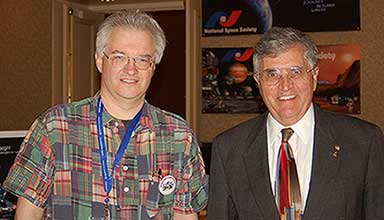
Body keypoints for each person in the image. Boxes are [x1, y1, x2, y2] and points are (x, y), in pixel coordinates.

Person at [3, 10, 208, 220]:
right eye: (119, 57)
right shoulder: (55, 127)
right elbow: (28, 213)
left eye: (142, 60)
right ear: (100, 61)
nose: (131, 69)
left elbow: (185, 215)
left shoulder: (178, 136)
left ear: (153, 67)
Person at [207, 27, 384, 220]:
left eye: (295, 71)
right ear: (258, 81)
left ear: (314, 77)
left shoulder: (364, 142)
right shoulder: (228, 149)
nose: (285, 85)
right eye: (272, 74)